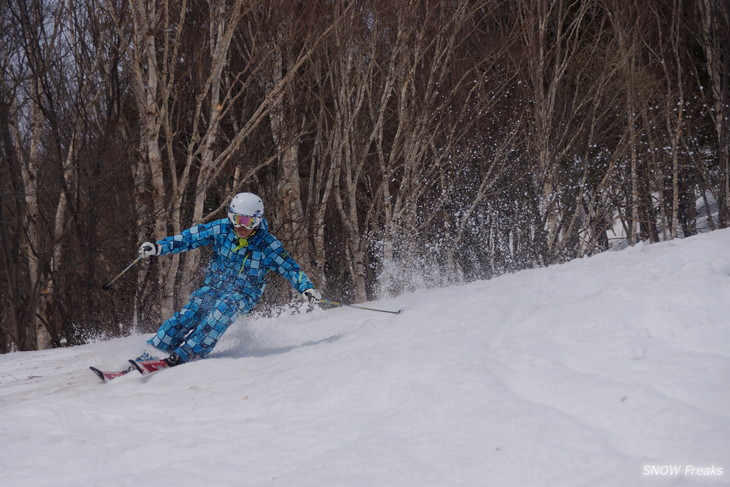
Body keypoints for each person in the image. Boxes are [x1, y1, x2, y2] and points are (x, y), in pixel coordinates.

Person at [136, 192, 322, 366]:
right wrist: (158, 247)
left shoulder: (268, 244)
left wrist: (306, 287)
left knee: (223, 309)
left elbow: (289, 267)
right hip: (213, 287)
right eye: (237, 219)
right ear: (230, 217)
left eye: (248, 222)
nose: (242, 226)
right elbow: (189, 238)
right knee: (189, 314)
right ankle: (153, 350)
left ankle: (187, 352)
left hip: (244, 294)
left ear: (258, 220)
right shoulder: (221, 229)